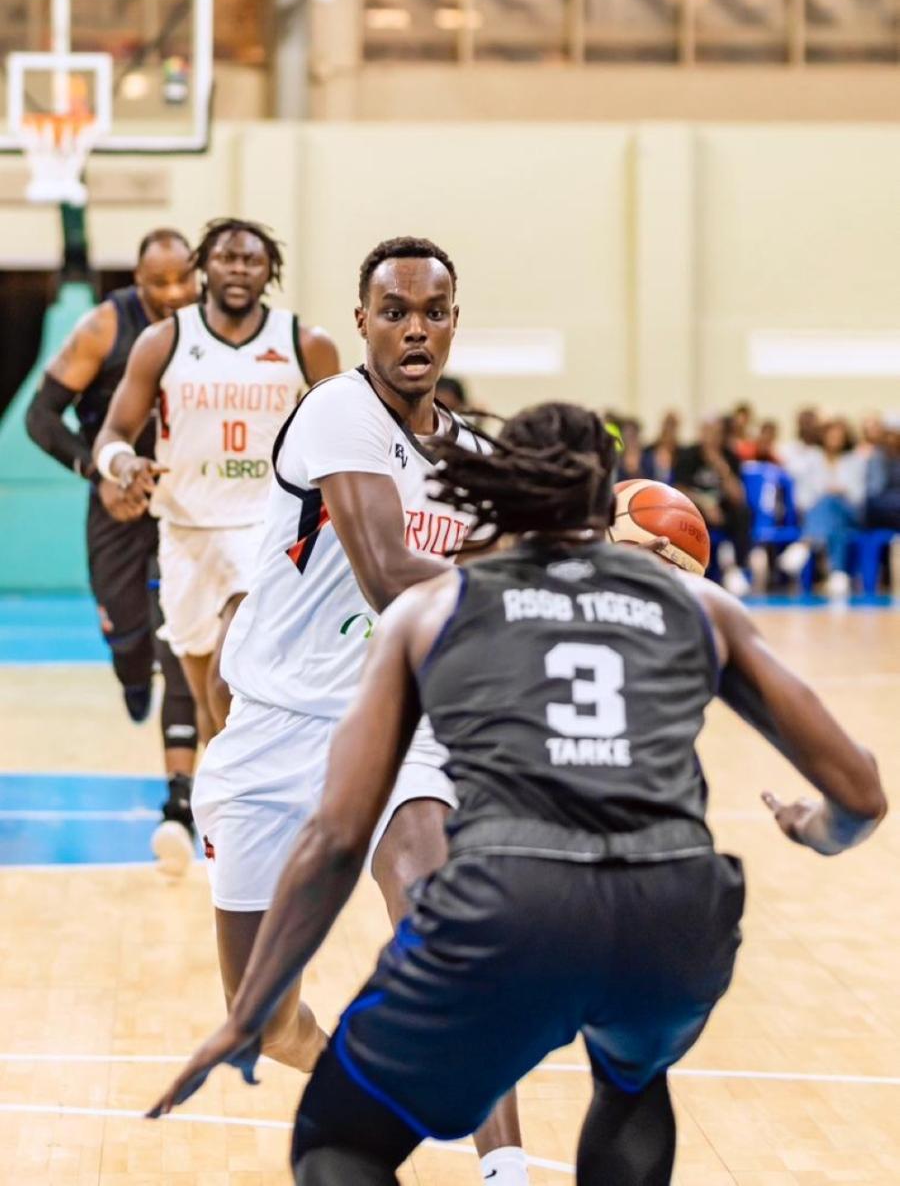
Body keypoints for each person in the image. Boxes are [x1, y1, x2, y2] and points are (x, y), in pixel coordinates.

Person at [149, 401, 886, 1186]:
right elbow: (862, 793)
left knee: (339, 1144)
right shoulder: (701, 604)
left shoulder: (442, 604)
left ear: (504, 494)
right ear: (607, 498)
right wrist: (810, 826)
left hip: (520, 895)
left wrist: (245, 1011)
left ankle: (500, 1164)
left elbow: (335, 839)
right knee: (633, 1080)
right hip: (678, 906)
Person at [184, 236, 529, 1184]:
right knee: (264, 1019)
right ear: (363, 322)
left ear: (454, 323)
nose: (415, 328)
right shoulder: (339, 409)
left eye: (434, 312)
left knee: (444, 928)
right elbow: (385, 572)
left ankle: (505, 1167)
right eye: (395, 311)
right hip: (274, 729)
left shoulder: (474, 454)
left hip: (393, 724)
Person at [92, 219, 340, 775]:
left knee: (230, 678)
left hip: (268, 529)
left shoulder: (305, 343)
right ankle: (224, 805)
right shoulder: (164, 341)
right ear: (204, 266)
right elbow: (113, 432)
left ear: (270, 272)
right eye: (227, 257)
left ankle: (264, 794)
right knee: (206, 696)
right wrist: (122, 464)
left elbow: (343, 430)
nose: (239, 269)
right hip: (185, 531)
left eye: (252, 260)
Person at [25, 228, 201, 871]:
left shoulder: (216, 328)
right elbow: (41, 418)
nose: (174, 294)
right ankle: (130, 667)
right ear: (136, 280)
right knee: (131, 636)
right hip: (117, 501)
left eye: (184, 280)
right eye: (159, 283)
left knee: (181, 643)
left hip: (187, 503)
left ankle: (179, 797)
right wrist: (96, 472)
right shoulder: (105, 327)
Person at [776, 417, 866, 597]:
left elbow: (859, 496)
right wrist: (825, 495)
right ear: (823, 436)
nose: (835, 439)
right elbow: (802, 495)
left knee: (832, 503)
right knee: (832, 515)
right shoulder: (812, 458)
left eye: (839, 436)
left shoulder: (855, 460)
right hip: (820, 512)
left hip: (849, 511)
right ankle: (838, 573)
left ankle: (805, 544)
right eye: (831, 435)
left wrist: (841, 491)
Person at [674, 415, 753, 595]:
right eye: (708, 431)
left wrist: (720, 466)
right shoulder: (688, 455)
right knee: (692, 516)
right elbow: (679, 489)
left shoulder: (730, 456)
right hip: (696, 506)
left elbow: (738, 495)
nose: (712, 437)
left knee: (743, 512)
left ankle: (736, 568)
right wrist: (705, 503)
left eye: (716, 433)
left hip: (723, 508)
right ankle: (696, 567)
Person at [641, 410, 681, 484]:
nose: (669, 428)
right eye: (668, 423)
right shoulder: (649, 450)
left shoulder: (681, 453)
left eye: (672, 424)